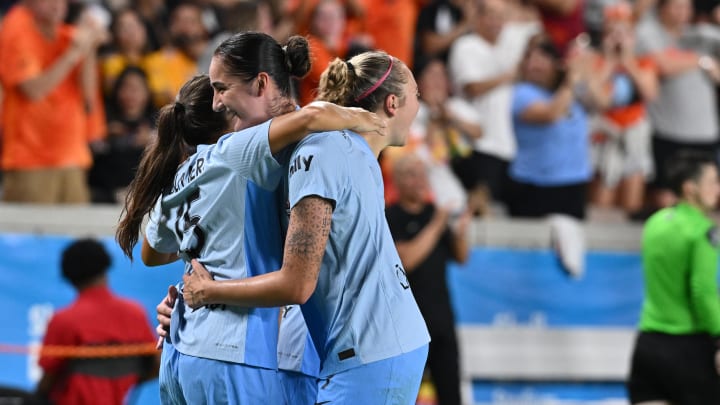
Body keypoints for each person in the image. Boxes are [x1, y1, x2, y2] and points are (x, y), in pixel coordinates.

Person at [116, 32, 385, 404]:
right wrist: (370, 124)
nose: (219, 102)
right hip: (243, 354)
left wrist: (196, 271)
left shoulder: (187, 172)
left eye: (222, 90)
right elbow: (311, 117)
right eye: (217, 94)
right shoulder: (238, 154)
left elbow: (152, 251)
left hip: (186, 349)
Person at [179, 50, 430, 404]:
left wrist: (208, 293)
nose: (219, 104)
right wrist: (184, 303)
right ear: (392, 103)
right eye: (416, 95)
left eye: (223, 90)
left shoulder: (330, 150)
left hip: (368, 352)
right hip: (366, 351)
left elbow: (298, 281)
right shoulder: (337, 151)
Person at [627, 151, 720, 405]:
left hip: (648, 343)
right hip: (688, 348)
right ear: (690, 188)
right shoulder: (702, 232)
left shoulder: (654, 223)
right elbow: (702, 291)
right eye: (712, 181)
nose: (718, 189)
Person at [0, 0, 107, 203]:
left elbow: (88, 96)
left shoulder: (66, 34)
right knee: (30, 231)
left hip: (72, 156)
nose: (58, 5)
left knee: (76, 231)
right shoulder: (17, 27)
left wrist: (89, 47)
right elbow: (33, 90)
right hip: (31, 159)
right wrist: (74, 53)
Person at [386, 154, 470, 405]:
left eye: (423, 174)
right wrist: (438, 223)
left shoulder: (435, 214)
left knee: (450, 393)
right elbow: (407, 260)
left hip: (441, 320)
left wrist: (461, 230)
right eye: (412, 174)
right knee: (402, 395)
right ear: (398, 181)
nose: (420, 180)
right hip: (407, 325)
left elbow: (461, 256)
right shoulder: (390, 216)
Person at [36, 238, 158, 405]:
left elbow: (48, 379)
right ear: (105, 266)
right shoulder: (135, 313)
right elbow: (156, 365)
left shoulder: (64, 320)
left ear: (69, 276)